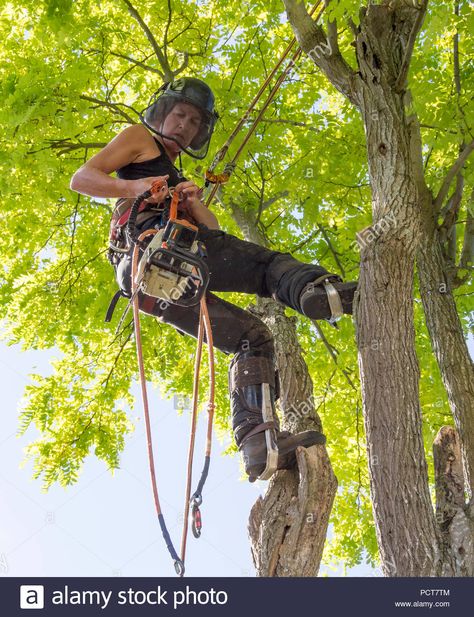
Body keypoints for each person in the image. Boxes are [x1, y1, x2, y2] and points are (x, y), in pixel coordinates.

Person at [70, 77, 357, 482]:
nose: (185, 125)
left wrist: (191, 201)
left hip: (170, 278)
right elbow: (82, 179)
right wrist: (136, 187)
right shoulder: (139, 139)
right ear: (163, 112)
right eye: (180, 114)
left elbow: (214, 229)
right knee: (265, 267)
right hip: (155, 254)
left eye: (193, 121)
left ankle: (260, 446)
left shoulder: (176, 176)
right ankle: (316, 291)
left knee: (254, 338)